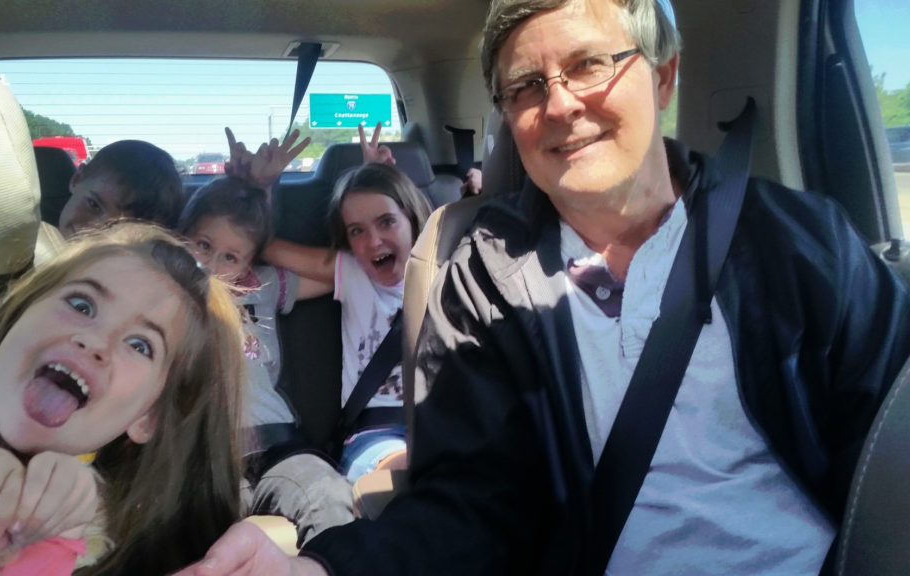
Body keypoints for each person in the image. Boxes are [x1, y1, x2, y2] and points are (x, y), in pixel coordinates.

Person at [174, 0, 910, 575]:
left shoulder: (799, 244)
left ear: (662, 76)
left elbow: (889, 449)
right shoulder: (480, 281)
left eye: (591, 65)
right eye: (527, 86)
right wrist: (327, 566)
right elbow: (476, 503)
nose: (559, 106)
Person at [0, 222, 246, 576]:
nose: (96, 342)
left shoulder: (90, 531)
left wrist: (49, 541)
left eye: (140, 345)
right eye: (82, 305)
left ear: (147, 417)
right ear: (20, 311)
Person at [177, 173, 355, 546]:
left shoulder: (261, 285)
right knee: (194, 529)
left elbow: (346, 274)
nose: (211, 264)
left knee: (328, 494)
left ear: (248, 262)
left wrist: (267, 242)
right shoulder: (165, 294)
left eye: (230, 256)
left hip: (278, 446)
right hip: (208, 459)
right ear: (181, 239)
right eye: (202, 245)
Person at [260, 144, 432, 482]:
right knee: (405, 473)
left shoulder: (451, 270)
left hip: (441, 423)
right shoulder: (352, 272)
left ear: (412, 219)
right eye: (357, 232)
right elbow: (266, 247)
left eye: (386, 222)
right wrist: (264, 188)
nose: (374, 241)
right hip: (376, 435)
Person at [57, 140, 184, 238]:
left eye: (123, 228)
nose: (94, 232)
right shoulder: (37, 243)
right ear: (77, 179)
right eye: (93, 205)